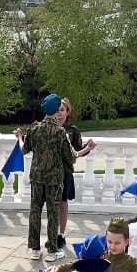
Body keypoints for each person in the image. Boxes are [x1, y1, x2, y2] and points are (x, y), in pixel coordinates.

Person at [17, 93, 78, 262]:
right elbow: (71, 157)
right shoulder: (60, 132)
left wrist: (19, 138)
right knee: (52, 212)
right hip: (54, 178)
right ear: (55, 109)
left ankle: (35, 249)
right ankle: (52, 250)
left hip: (37, 176)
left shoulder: (34, 128)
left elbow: (24, 149)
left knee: (35, 211)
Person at [56, 97, 96, 249]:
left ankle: (61, 234)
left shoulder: (72, 130)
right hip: (49, 172)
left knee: (63, 202)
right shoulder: (47, 127)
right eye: (57, 109)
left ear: (67, 112)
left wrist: (88, 147)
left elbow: (78, 151)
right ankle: (51, 231)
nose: (59, 113)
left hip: (65, 171)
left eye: (62, 110)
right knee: (50, 204)